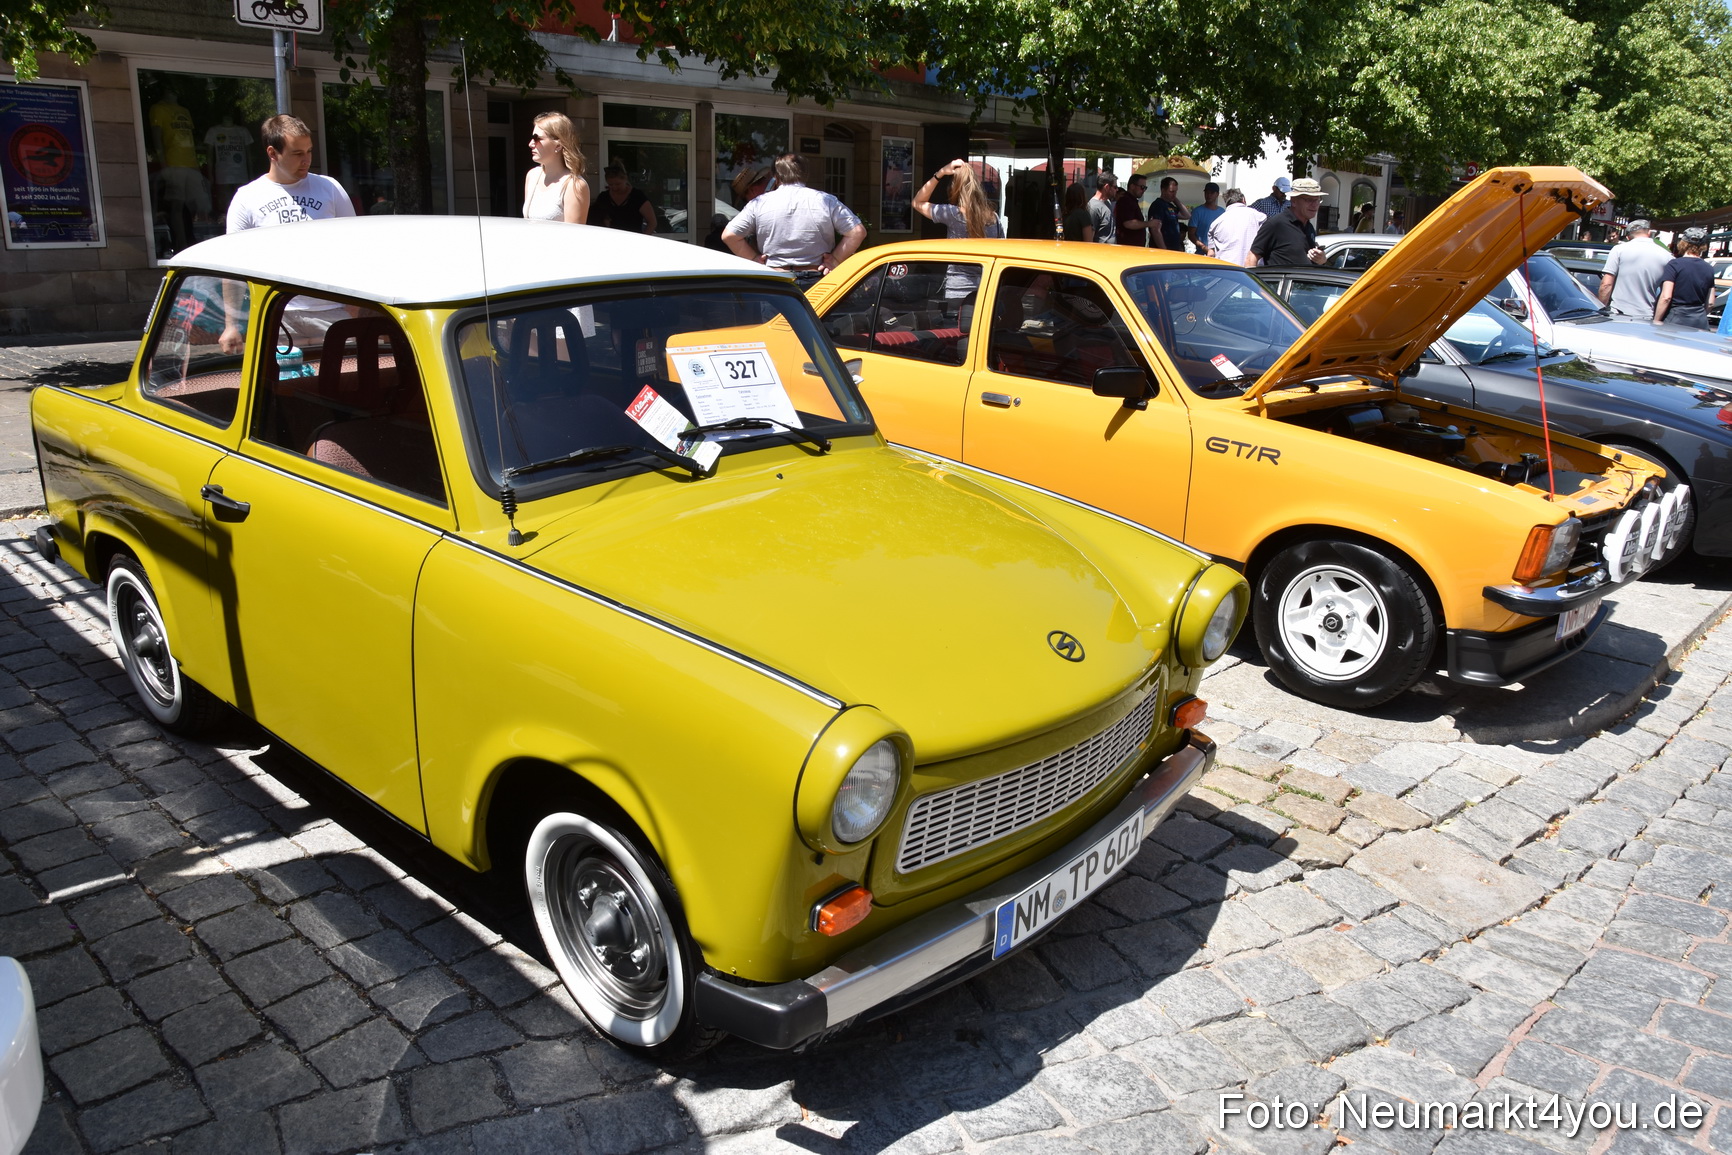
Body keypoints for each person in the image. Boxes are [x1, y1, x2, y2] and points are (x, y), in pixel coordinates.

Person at [222, 114, 356, 352]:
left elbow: (357, 247)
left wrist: (353, 309)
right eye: (297, 154)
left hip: (331, 311)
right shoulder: (247, 197)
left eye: (309, 151)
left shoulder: (330, 188)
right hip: (276, 314)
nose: (306, 160)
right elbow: (231, 265)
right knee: (279, 388)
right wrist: (231, 324)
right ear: (273, 153)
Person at [723, 153, 867, 287]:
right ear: (805, 174)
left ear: (776, 176)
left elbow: (729, 236)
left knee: (776, 316)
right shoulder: (825, 201)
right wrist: (835, 259)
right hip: (817, 277)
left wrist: (754, 259)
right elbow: (857, 232)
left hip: (776, 278)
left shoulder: (759, 203)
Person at [521, 112, 589, 224]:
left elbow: (574, 236)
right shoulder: (532, 176)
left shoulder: (574, 185)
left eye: (537, 139)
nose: (531, 144)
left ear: (558, 145)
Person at [913, 158, 1004, 239]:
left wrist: (940, 173)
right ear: (978, 187)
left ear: (954, 187)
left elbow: (917, 202)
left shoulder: (952, 213)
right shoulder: (994, 218)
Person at [1246, 177, 1326, 268]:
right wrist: (1252, 282)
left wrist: (1321, 260)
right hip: (1281, 281)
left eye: (1317, 200)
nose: (1315, 205)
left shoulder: (1309, 227)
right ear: (1294, 201)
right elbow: (1251, 258)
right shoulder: (1276, 224)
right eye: (1309, 200)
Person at [1598, 219, 1669, 318]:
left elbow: (1606, 285)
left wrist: (1600, 310)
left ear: (1628, 236)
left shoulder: (1619, 250)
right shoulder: (1667, 256)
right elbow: (1666, 295)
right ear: (1649, 233)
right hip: (1647, 315)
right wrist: (1657, 319)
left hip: (1618, 313)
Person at [1654, 227, 1717, 330]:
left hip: (1676, 318)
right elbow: (1710, 302)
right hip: (1699, 321)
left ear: (1683, 243)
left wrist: (1656, 320)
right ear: (1703, 246)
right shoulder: (1708, 268)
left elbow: (1666, 297)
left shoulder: (1674, 265)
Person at [589, 162, 656, 233]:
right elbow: (594, 220)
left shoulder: (637, 196)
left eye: (618, 184)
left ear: (625, 179)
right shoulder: (603, 197)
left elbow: (652, 222)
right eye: (610, 185)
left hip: (633, 240)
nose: (614, 187)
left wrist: (643, 239)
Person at [1208, 188, 1263, 265]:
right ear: (1244, 199)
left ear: (1226, 203)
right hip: (1253, 271)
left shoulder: (1216, 223)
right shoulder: (1260, 217)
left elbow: (1211, 254)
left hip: (1227, 271)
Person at [1146, 176, 1189, 251]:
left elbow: (1186, 215)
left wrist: (1175, 199)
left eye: (1175, 191)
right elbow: (1155, 230)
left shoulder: (1170, 206)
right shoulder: (1158, 205)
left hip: (1173, 249)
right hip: (1162, 250)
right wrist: (1164, 250)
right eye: (1171, 191)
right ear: (1163, 190)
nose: (1174, 194)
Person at [1114, 173, 1150, 246]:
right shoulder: (1126, 200)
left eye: (1145, 188)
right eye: (1142, 187)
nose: (1143, 190)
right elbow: (1128, 223)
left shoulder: (1132, 200)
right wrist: (1149, 223)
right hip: (1128, 248)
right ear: (1132, 186)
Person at [1188, 183, 1223, 253]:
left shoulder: (1222, 212)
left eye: (1212, 193)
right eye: (1207, 192)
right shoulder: (1197, 211)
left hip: (1219, 253)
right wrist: (1203, 247)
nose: (1208, 195)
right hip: (1202, 254)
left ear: (1217, 194)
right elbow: (1191, 234)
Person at [1087, 171, 1118, 244]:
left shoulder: (1107, 202)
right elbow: (1090, 237)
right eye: (1115, 187)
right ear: (1107, 187)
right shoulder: (1093, 207)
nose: (1117, 190)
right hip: (1101, 253)